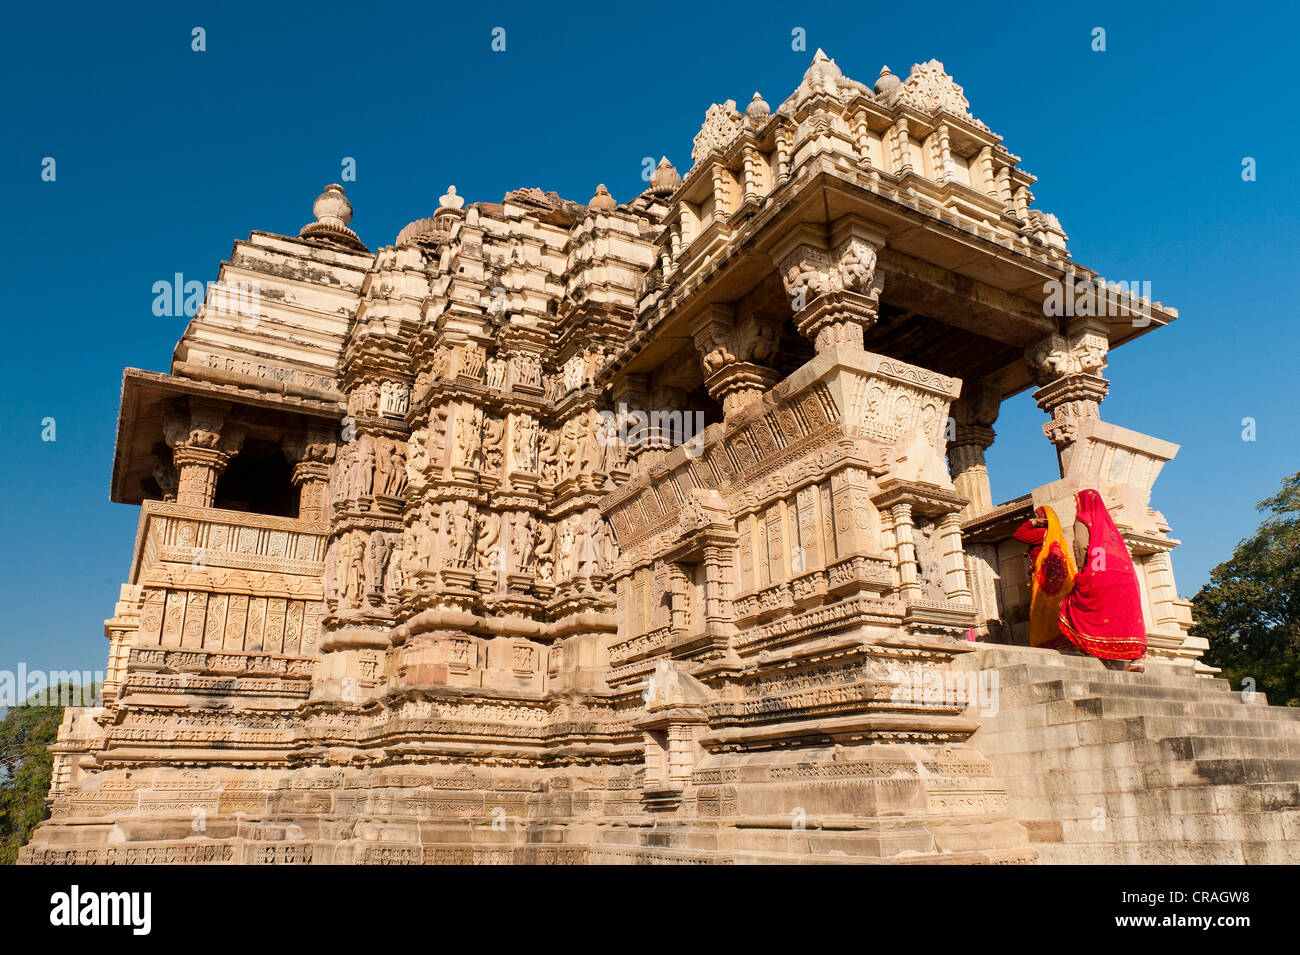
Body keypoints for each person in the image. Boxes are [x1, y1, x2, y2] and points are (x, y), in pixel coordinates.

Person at [1058, 489, 1148, 671]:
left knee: (1072, 605)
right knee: (1124, 616)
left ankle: (1089, 646)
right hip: (1126, 575)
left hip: (1101, 573)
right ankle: (1137, 659)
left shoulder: (1083, 518)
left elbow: (1081, 545)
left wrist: (1083, 570)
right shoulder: (1108, 524)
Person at [1013, 506, 1077, 649]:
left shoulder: (1040, 533)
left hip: (1044, 582)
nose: (1035, 518)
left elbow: (1018, 535)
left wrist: (1032, 523)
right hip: (1058, 581)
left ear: (1044, 519)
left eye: (1037, 516)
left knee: (1042, 611)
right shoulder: (1055, 536)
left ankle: (1049, 643)